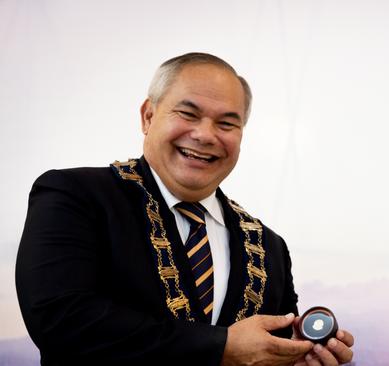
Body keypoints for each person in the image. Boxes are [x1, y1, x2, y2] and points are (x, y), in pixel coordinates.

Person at [16, 52, 353, 366]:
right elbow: (60, 320)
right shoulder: (76, 196)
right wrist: (220, 347)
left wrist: (293, 355)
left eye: (226, 124)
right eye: (188, 114)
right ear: (148, 116)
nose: (205, 135)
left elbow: (261, 353)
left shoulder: (269, 247)